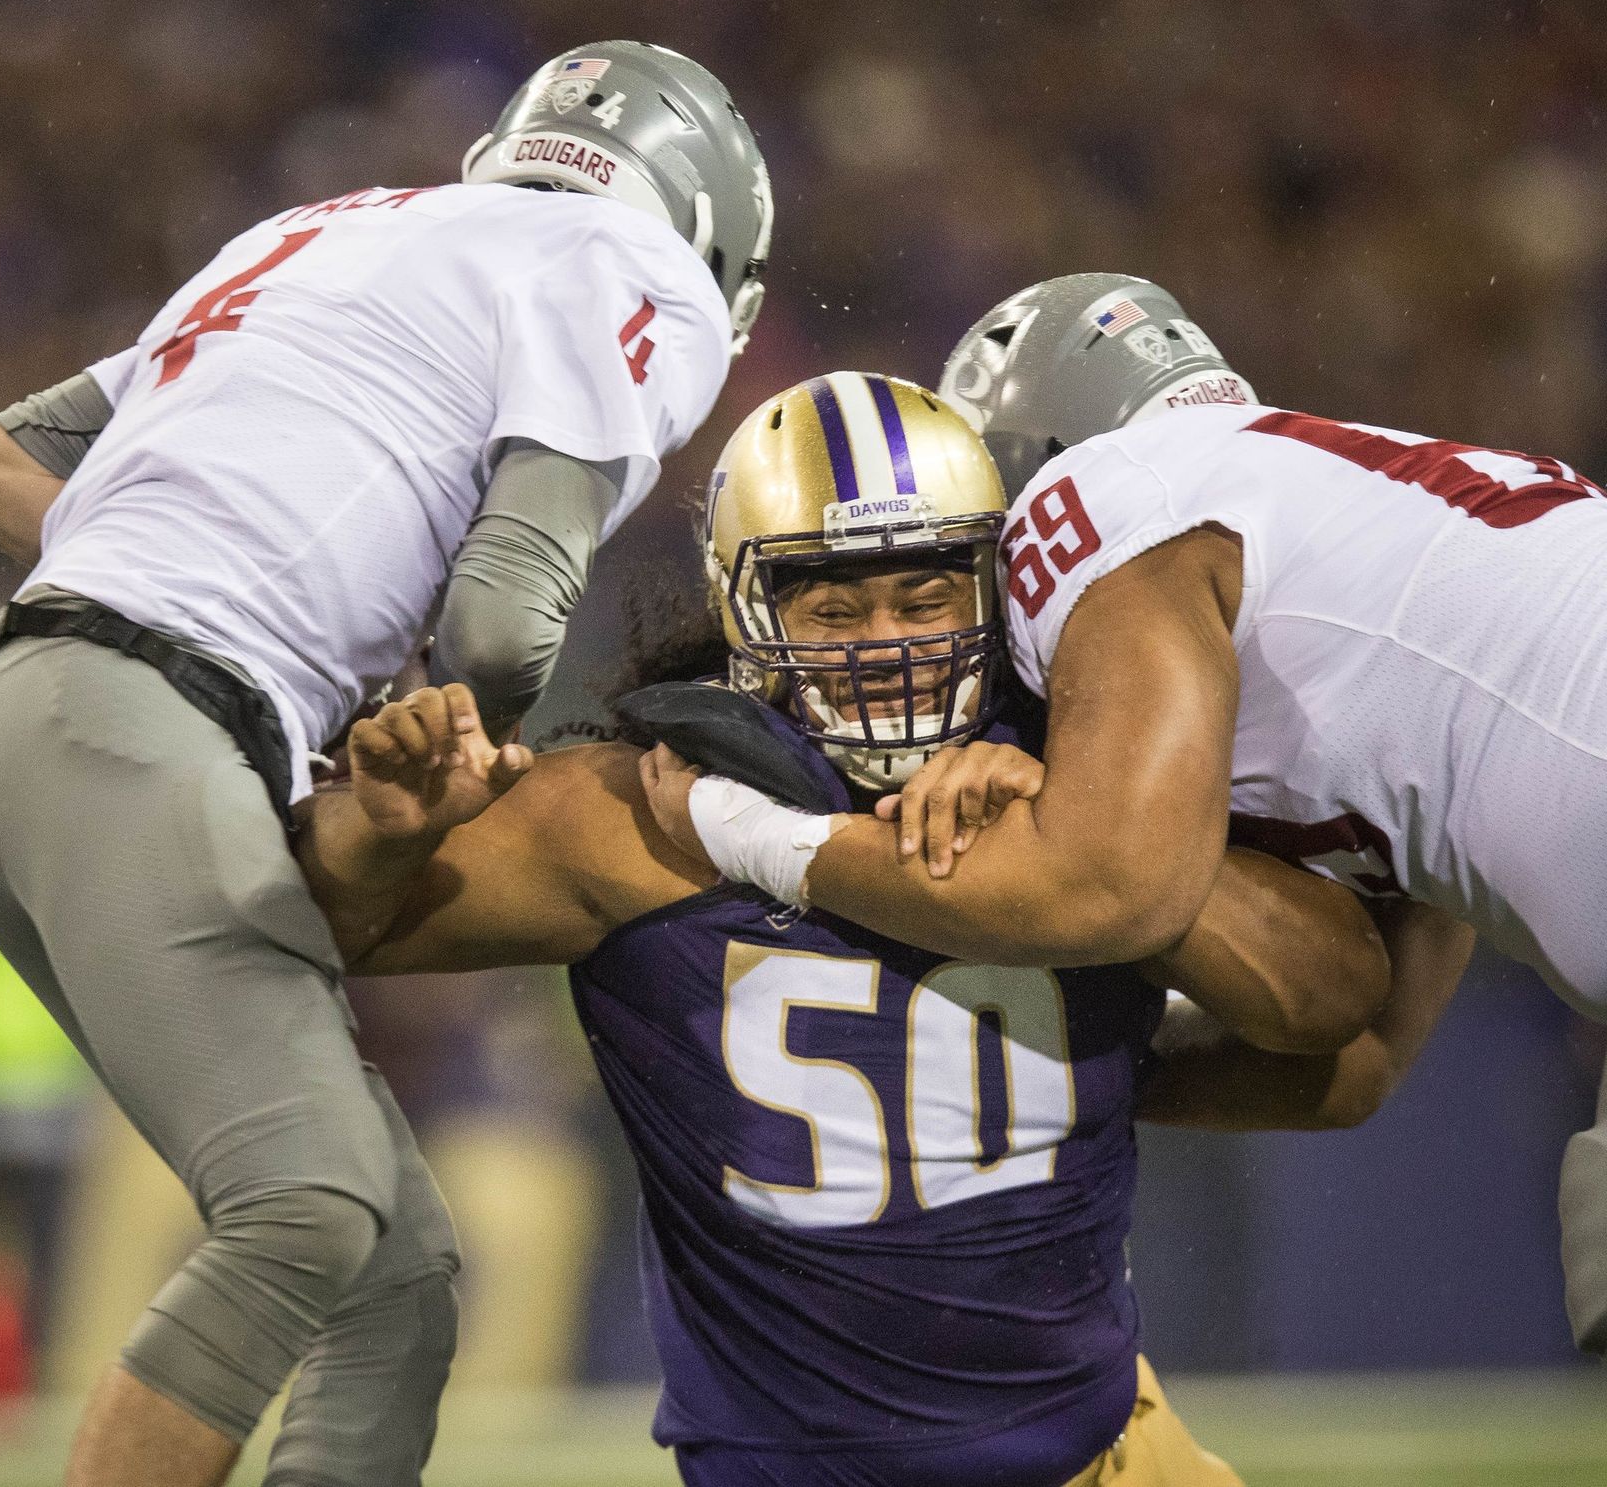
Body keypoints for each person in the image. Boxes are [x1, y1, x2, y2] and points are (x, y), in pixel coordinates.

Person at [648, 277, 1607, 1487]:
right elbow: (1353, 1058)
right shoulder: (1353, 560)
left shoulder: (1108, 496)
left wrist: (758, 836)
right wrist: (1041, 1076)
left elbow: (1117, 888)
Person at [298, 373, 1396, 1487]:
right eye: (834, 609)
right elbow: (300, 926)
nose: (887, 645)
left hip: (1115, 1451)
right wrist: (375, 838)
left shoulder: (1078, 768)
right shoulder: (637, 818)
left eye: (925, 598)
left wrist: (1090, 848)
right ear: (747, 610)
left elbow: (1332, 1007)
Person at [0, 40, 770, 1487]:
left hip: (46, 716)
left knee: (396, 1271)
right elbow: (506, 617)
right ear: (707, 232)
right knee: (307, 1203)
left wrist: (190, 578)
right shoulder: (635, 267)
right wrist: (430, 721)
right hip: (138, 723)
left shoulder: (322, 230)